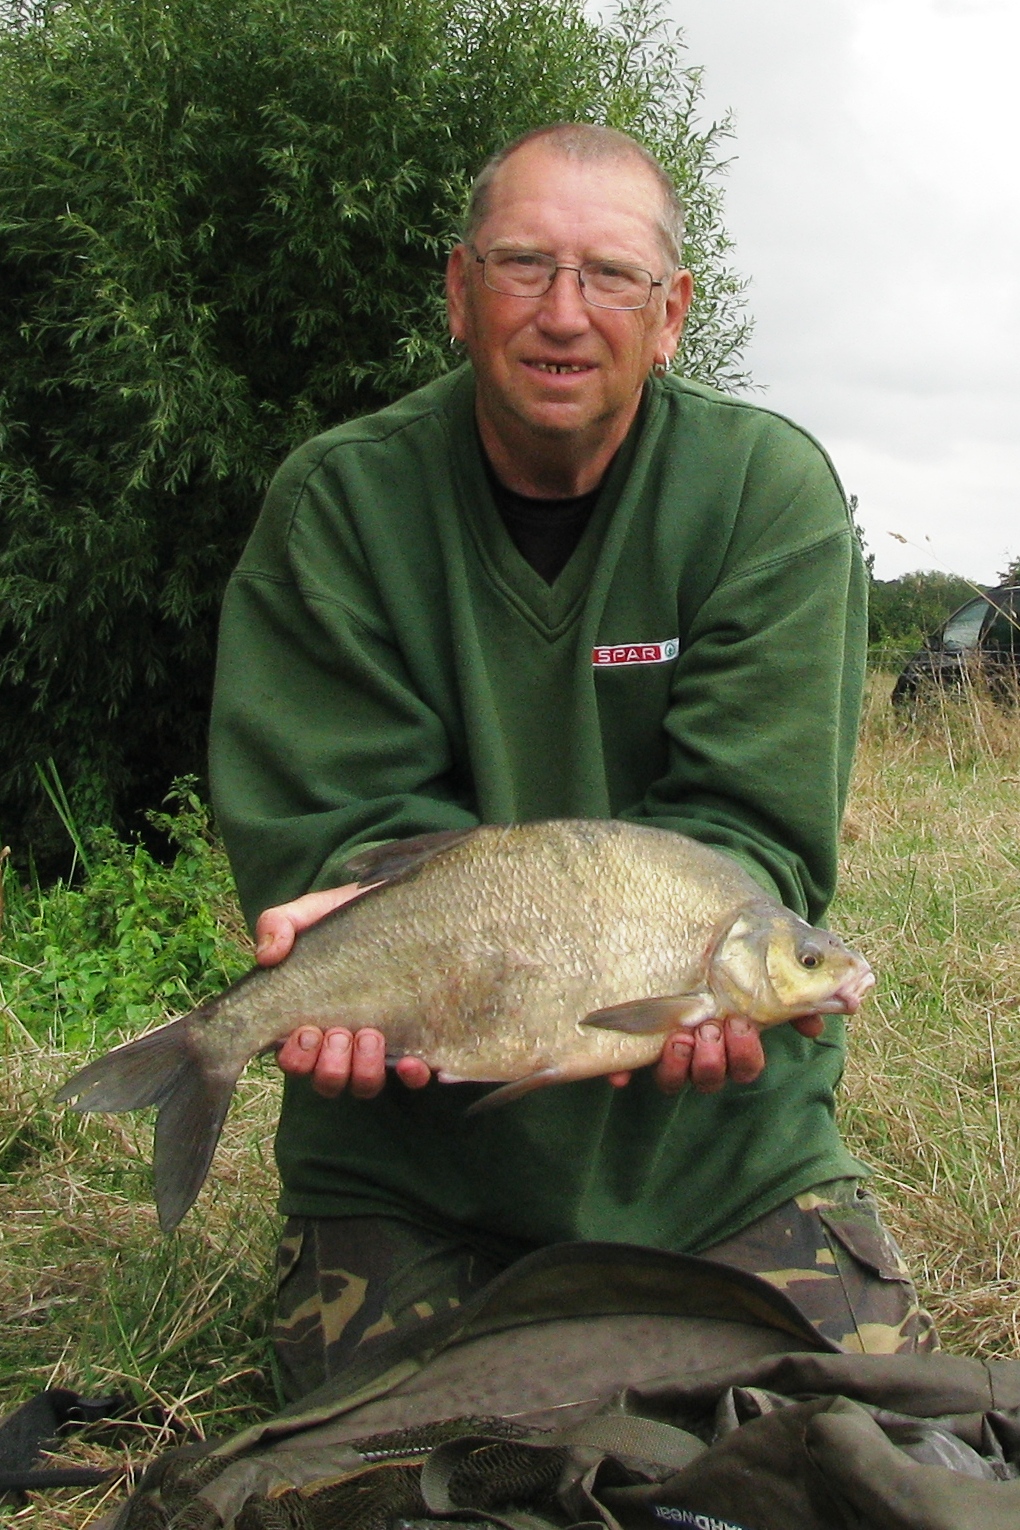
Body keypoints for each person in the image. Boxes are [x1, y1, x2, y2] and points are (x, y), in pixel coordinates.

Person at [209, 123, 936, 1401]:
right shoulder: (338, 503)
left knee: (847, 1447)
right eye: (523, 265)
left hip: (718, 1151)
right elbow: (337, 836)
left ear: (671, 315)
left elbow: (748, 836)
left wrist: (716, 979)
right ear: (456, 290)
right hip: (407, 1153)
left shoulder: (767, 495)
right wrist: (339, 939)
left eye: (610, 277)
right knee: (415, 1476)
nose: (563, 312)